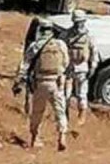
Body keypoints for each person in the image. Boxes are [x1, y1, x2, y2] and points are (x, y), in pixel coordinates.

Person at [13, 19, 70, 151]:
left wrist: (18, 81)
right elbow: (66, 62)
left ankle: (34, 138)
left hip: (41, 83)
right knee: (60, 111)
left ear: (41, 30)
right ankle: (62, 136)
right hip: (57, 83)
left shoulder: (35, 46)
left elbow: (24, 65)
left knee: (37, 112)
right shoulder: (60, 44)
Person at [64, 10, 100, 125]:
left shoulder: (89, 36)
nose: (78, 24)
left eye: (80, 22)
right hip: (69, 67)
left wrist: (93, 66)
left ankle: (82, 114)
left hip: (82, 68)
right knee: (66, 94)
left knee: (81, 94)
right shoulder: (67, 34)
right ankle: (65, 115)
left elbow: (94, 52)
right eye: (76, 22)